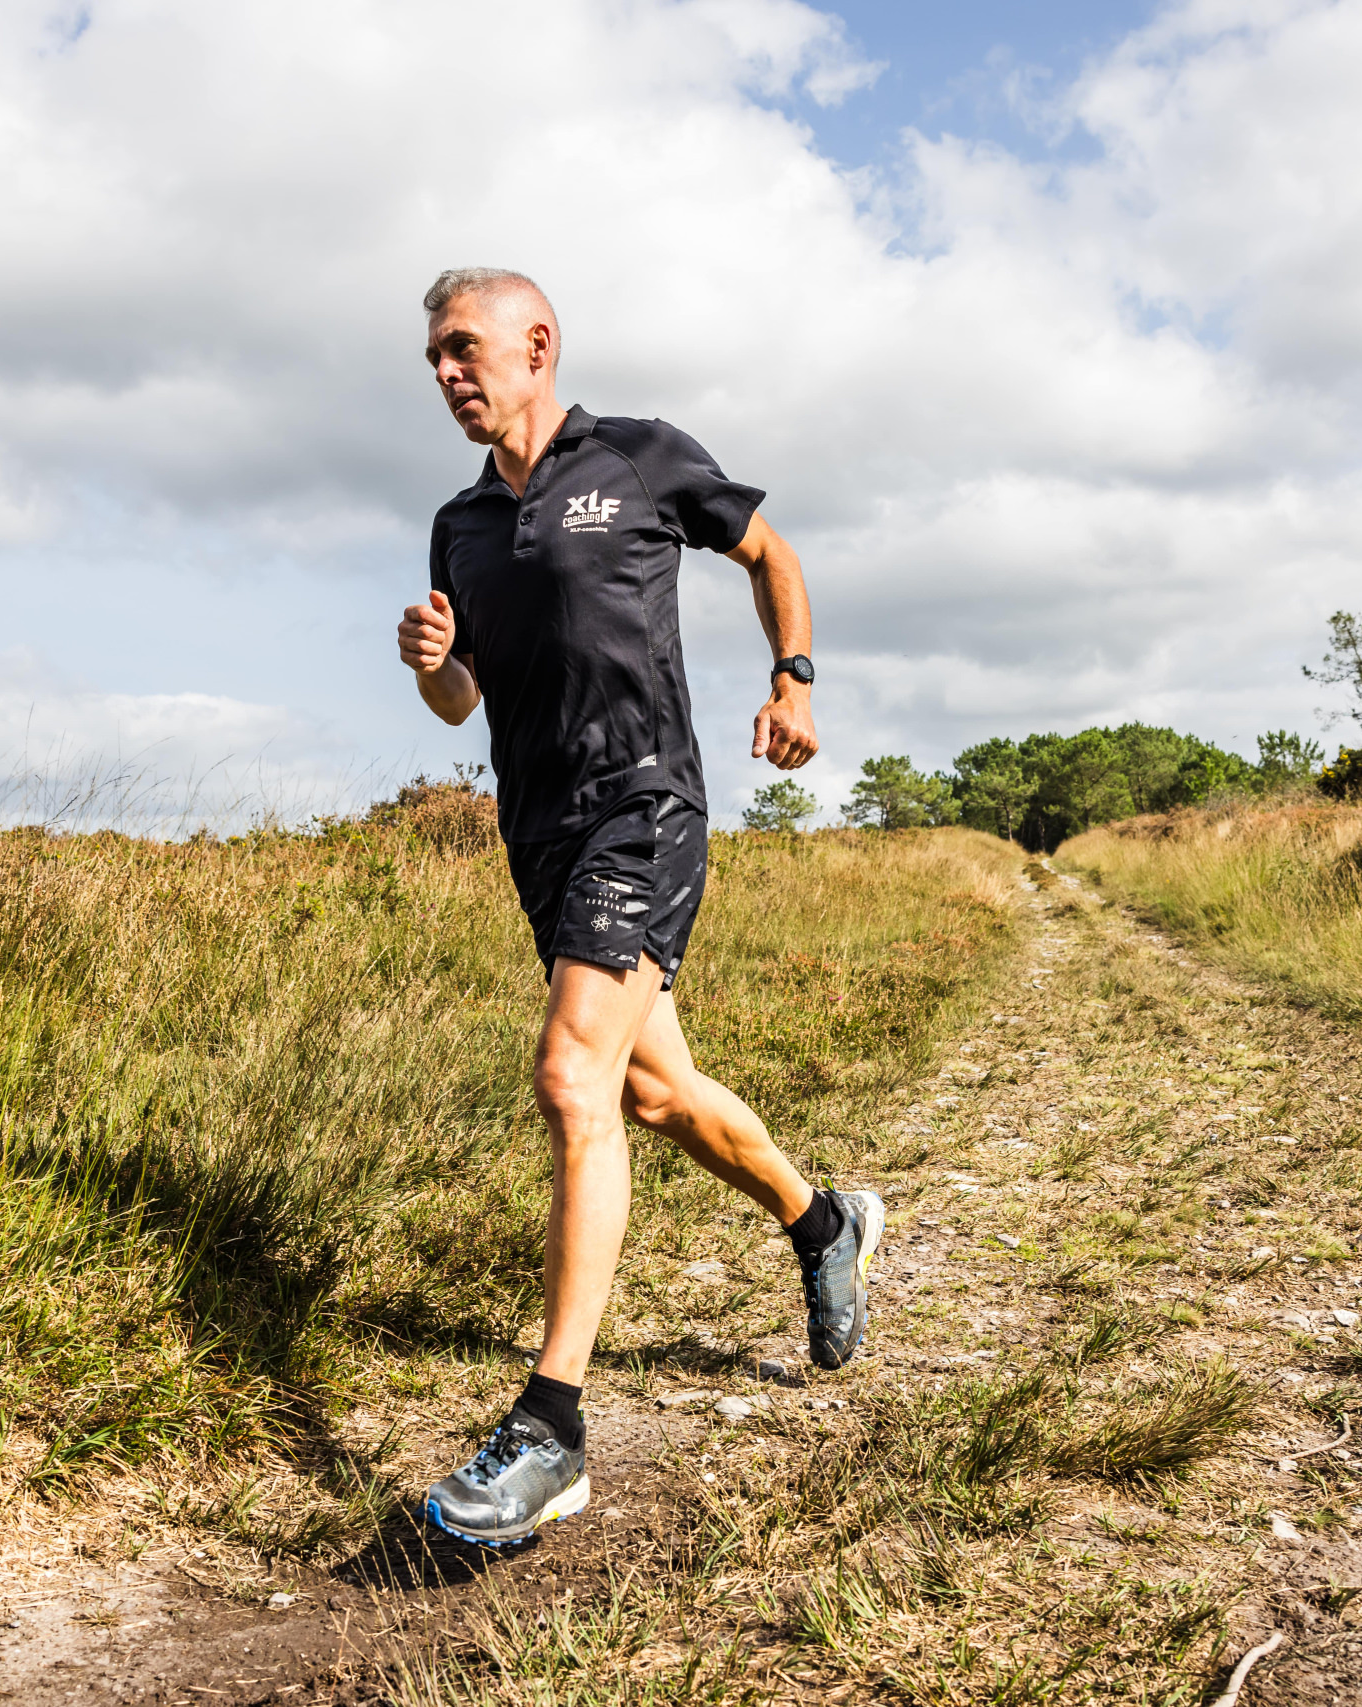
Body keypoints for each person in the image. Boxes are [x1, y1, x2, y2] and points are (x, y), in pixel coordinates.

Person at [395, 267, 885, 1548]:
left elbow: (769, 553)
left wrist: (794, 680)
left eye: (464, 350)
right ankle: (826, 1222)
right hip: (541, 836)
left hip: (644, 808)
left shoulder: (642, 458)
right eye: (434, 359)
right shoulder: (456, 527)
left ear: (536, 343)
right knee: (654, 1094)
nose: (448, 375)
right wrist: (438, 669)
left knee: (571, 1079)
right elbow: (464, 708)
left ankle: (551, 1427)